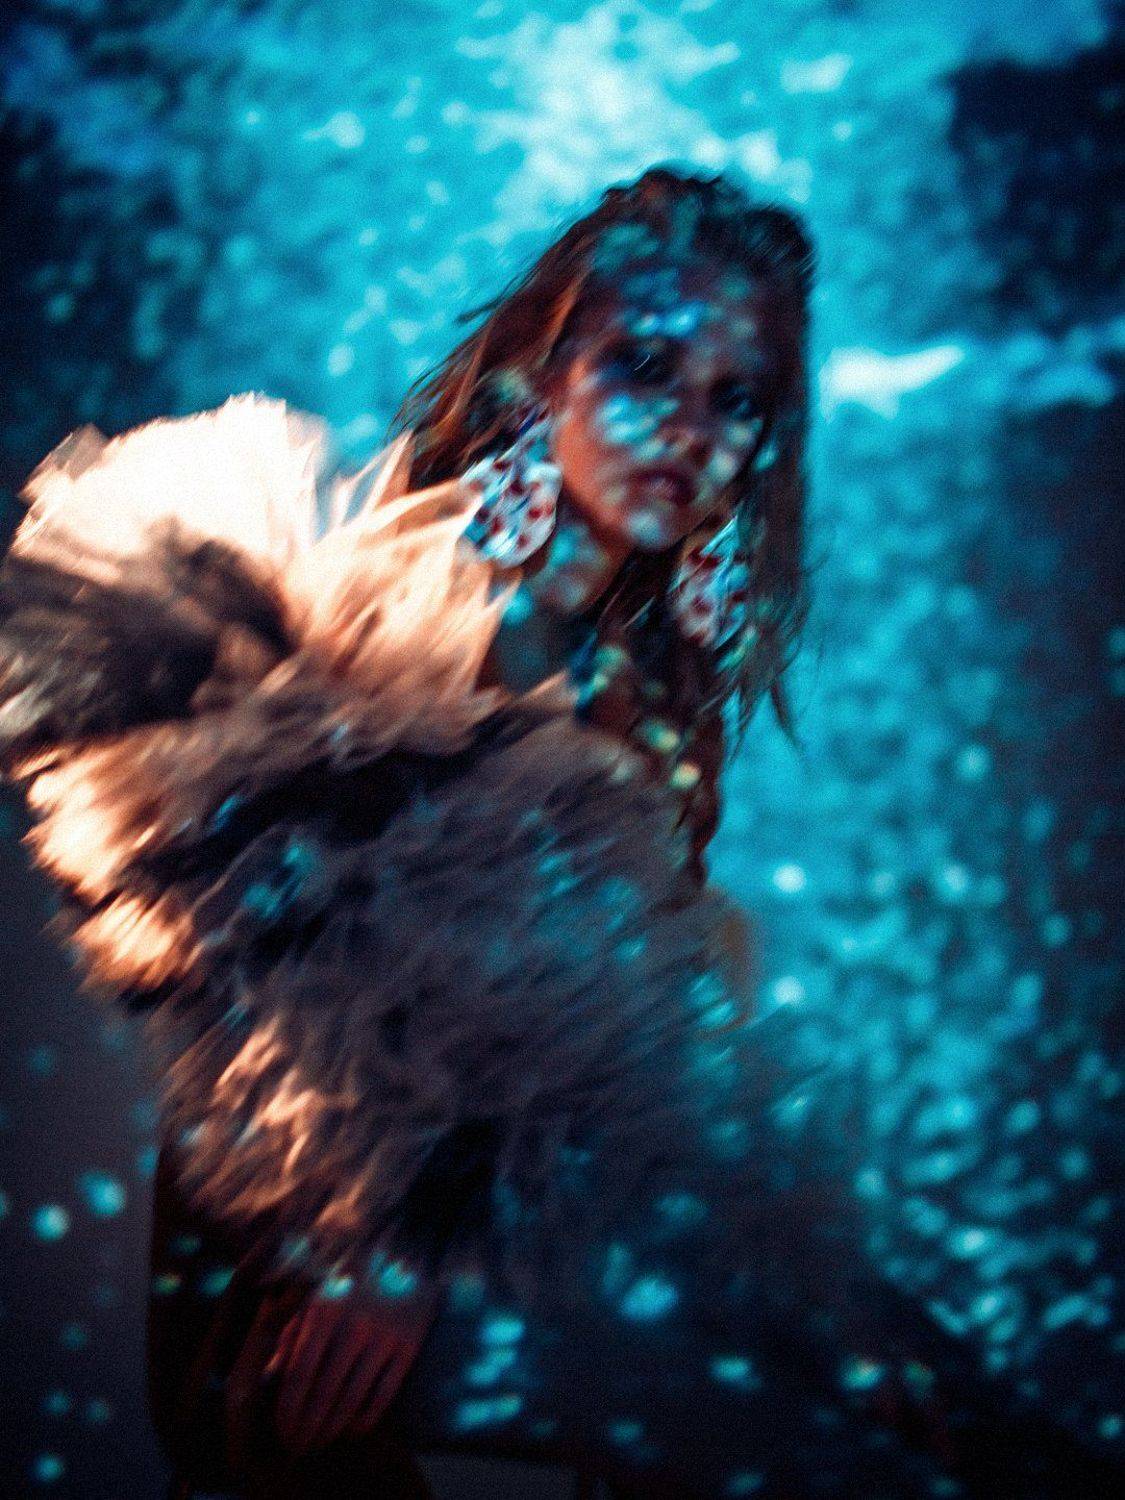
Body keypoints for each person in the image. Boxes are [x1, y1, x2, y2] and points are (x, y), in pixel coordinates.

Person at [0, 168, 1117, 1500]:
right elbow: (299, 976)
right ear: (542, 378)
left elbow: (602, 1035)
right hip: (310, 1240)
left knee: (904, 1394)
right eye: (644, 366)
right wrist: (393, 1243)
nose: (687, 431)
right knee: (860, 1406)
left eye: (738, 399)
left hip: (511, 1214)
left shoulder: (648, 669)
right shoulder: (430, 601)